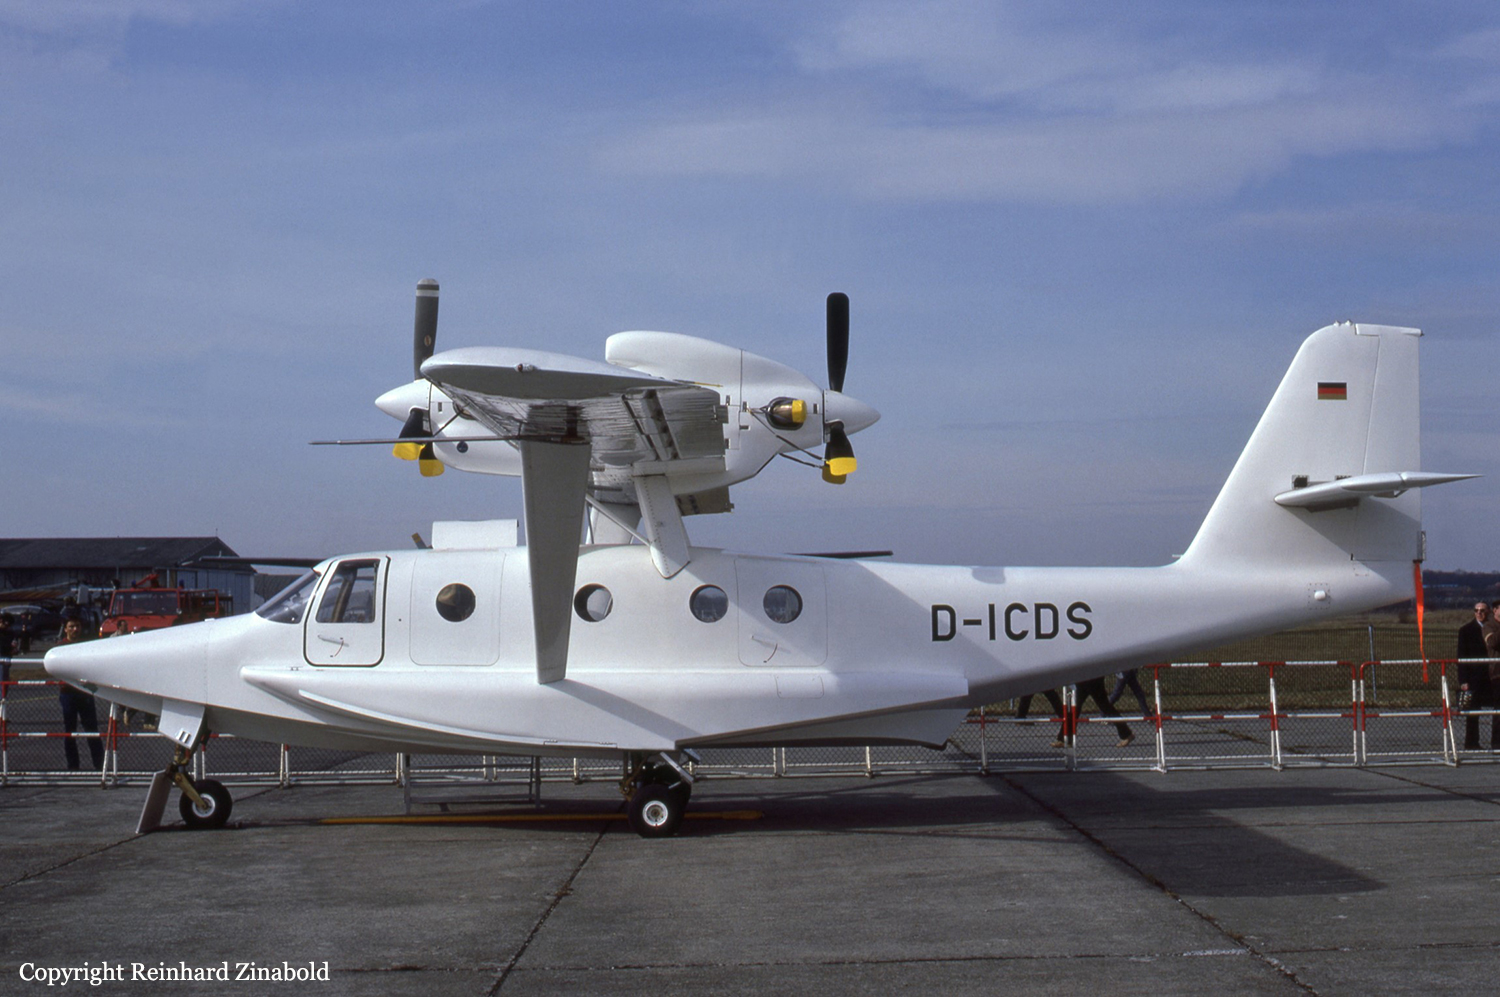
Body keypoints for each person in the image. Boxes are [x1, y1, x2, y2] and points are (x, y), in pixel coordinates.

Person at [56, 619, 104, 770]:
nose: (75, 629)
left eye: (77, 626)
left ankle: (99, 766)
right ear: (65, 629)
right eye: (71, 626)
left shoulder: (85, 645)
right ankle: (73, 767)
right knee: (70, 731)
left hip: (85, 693)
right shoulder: (60, 647)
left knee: (92, 730)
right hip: (68, 693)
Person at [1456, 602, 1497, 751]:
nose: (1479, 613)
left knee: (1496, 710)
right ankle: (1471, 742)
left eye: (1482, 610)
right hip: (1474, 677)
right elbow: (1461, 656)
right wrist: (1463, 680)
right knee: (1473, 712)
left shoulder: (1493, 629)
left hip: (1491, 675)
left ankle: (1496, 743)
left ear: (1489, 612)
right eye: (1476, 610)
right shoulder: (1466, 630)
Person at [1056, 677, 1133, 748]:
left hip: (1093, 679)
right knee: (1074, 708)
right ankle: (1065, 738)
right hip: (1082, 679)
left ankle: (1127, 734)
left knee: (1105, 707)